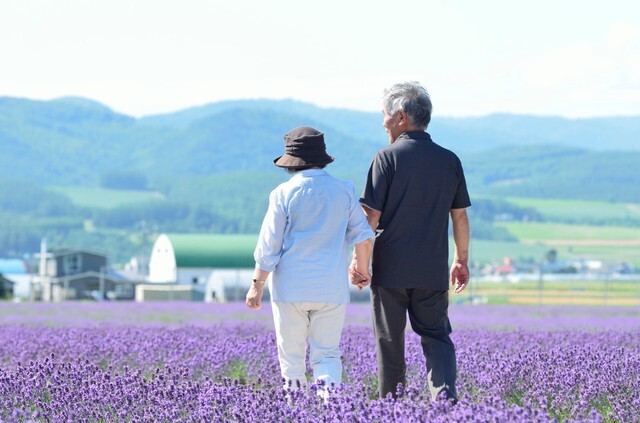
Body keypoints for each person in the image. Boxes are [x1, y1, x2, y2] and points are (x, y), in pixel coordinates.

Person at [350, 81, 471, 402]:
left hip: (390, 271)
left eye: (386, 116)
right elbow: (459, 217)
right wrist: (461, 260)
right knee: (437, 339)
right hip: (432, 270)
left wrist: (360, 264)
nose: (383, 122)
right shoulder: (450, 160)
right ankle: (444, 401)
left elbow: (370, 218)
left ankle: (392, 410)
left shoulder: (386, 158)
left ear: (401, 116)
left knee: (390, 342)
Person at [246, 126, 374, 398]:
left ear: (291, 162)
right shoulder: (344, 190)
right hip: (331, 289)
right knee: (327, 356)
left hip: (289, 289)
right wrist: (362, 271)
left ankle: (296, 413)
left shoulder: (282, 193)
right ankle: (331, 411)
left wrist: (256, 285)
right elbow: (363, 236)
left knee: (292, 362)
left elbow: (269, 246)